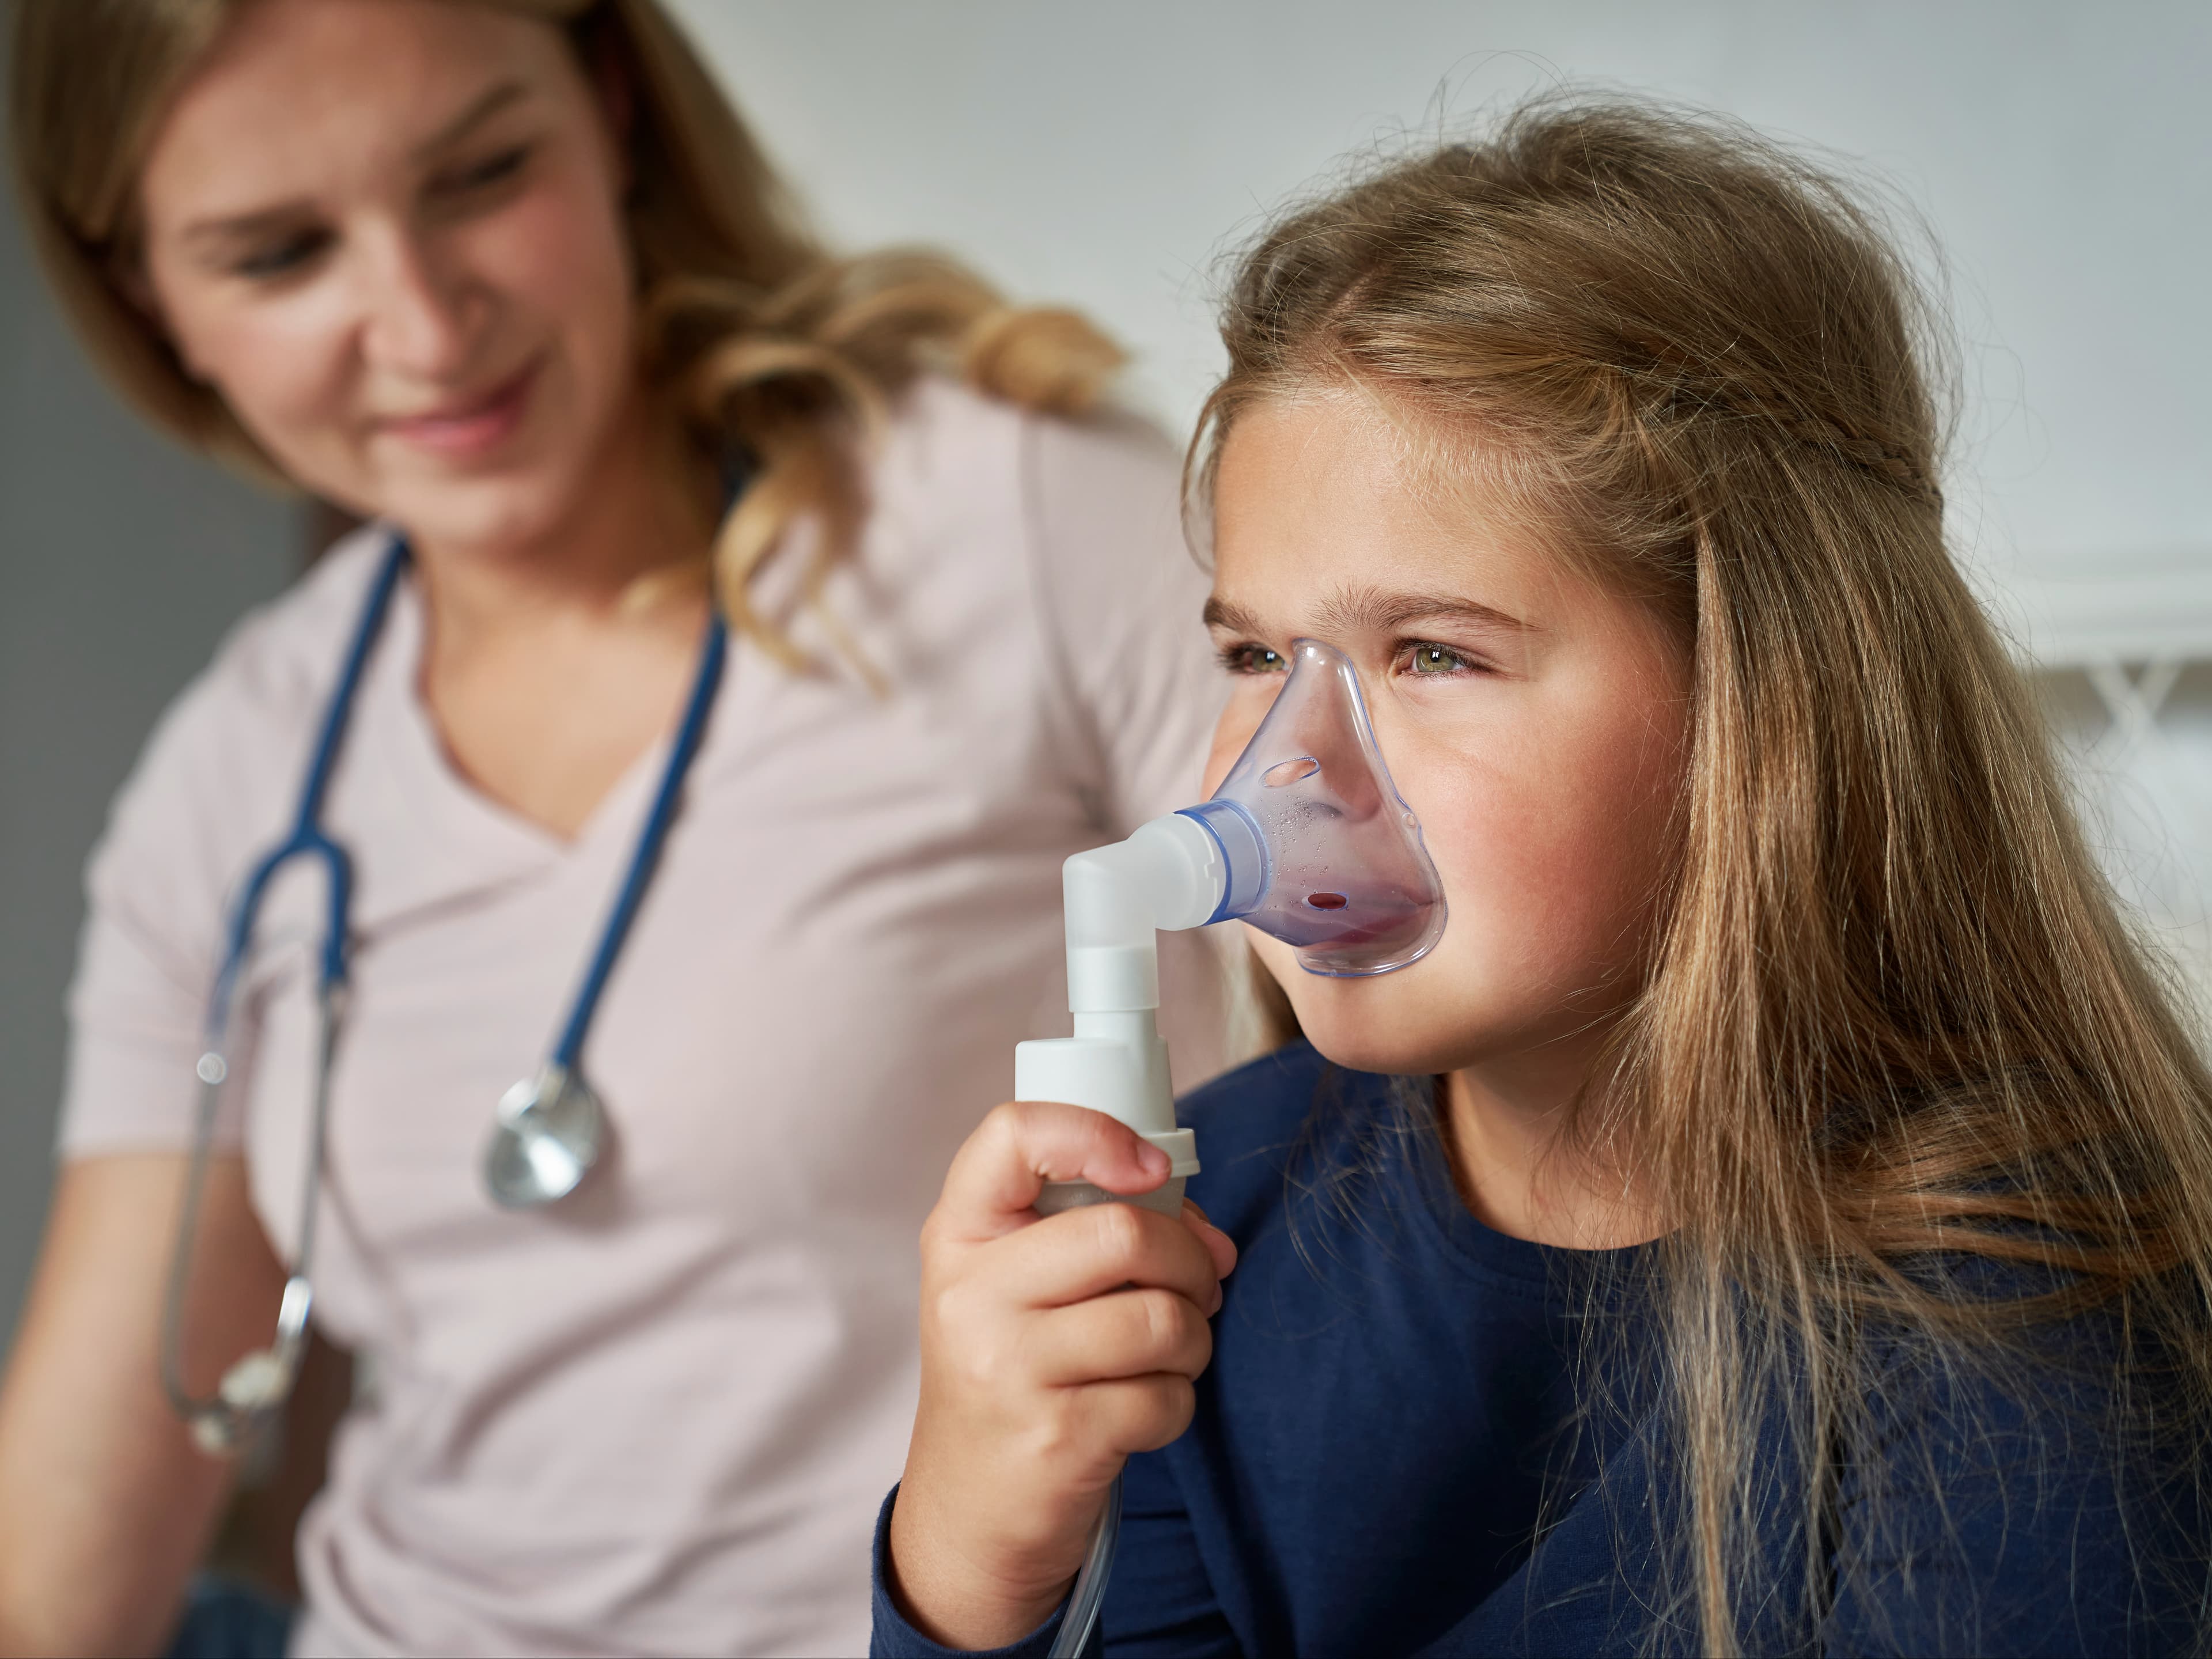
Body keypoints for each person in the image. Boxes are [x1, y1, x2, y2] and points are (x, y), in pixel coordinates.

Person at [874, 96, 2212, 1657]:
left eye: (1433, 653)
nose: (1290, 774)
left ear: (1765, 702)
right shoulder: (1214, 1210)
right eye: (1256, 652)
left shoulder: (2022, 1300)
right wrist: (975, 1568)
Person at [0, 2, 1227, 1654]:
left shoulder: (1017, 517)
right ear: (150, 296)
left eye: (484, 174)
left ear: (616, 106)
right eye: (281, 254)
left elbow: (1421, 1107)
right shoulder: (237, 770)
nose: (427, 329)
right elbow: (60, 1569)